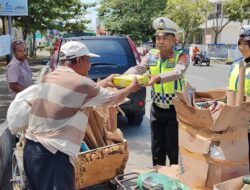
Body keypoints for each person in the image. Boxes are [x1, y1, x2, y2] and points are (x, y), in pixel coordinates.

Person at [19, 41, 141, 190]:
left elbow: (79, 95)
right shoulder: (82, 84)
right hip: (53, 155)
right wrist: (131, 88)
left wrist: (104, 82)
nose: (90, 65)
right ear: (78, 60)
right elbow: (113, 99)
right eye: (88, 60)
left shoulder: (50, 77)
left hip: (32, 150)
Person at [125, 17, 189, 166]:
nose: (160, 41)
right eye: (158, 38)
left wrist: (157, 77)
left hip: (175, 110)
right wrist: (123, 75)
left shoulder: (182, 55)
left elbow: (178, 72)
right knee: (157, 148)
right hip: (156, 109)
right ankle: (157, 178)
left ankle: (174, 180)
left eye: (165, 38)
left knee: (174, 149)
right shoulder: (152, 54)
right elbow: (139, 68)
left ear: (174, 39)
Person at [228, 25, 250, 165]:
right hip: (236, 120)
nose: (242, 47)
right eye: (240, 43)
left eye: (247, 43)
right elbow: (231, 89)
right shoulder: (236, 64)